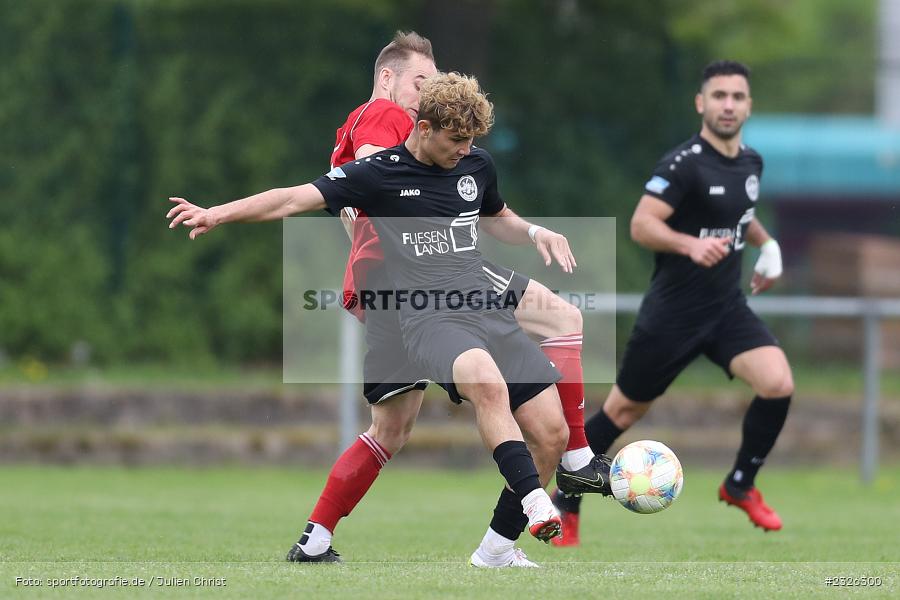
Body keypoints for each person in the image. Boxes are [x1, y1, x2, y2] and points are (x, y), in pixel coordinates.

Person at [167, 72, 590, 564]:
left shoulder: (476, 163)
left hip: (484, 301)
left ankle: (496, 552)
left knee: (551, 435)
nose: (464, 150)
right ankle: (537, 502)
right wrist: (216, 213)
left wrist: (535, 232)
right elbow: (291, 197)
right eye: (455, 140)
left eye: (472, 141)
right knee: (486, 384)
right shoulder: (380, 173)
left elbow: (497, 218)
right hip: (429, 316)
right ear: (425, 127)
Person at [290, 31, 607, 565]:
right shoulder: (385, 119)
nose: (425, 92)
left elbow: (462, 202)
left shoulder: (382, 128)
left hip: (407, 284)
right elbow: (379, 178)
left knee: (392, 429)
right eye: (420, 81)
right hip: (409, 286)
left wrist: (530, 232)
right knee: (553, 321)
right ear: (388, 79)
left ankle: (316, 536)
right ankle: (567, 463)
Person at [554, 60, 793, 537]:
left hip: (726, 308)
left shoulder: (751, 162)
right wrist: (690, 244)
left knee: (778, 383)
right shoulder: (683, 164)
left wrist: (768, 246)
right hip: (673, 314)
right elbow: (642, 224)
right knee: (623, 412)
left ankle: (740, 484)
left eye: (737, 97)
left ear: (749, 105)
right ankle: (567, 493)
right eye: (719, 95)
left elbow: (741, 213)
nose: (728, 104)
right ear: (701, 103)